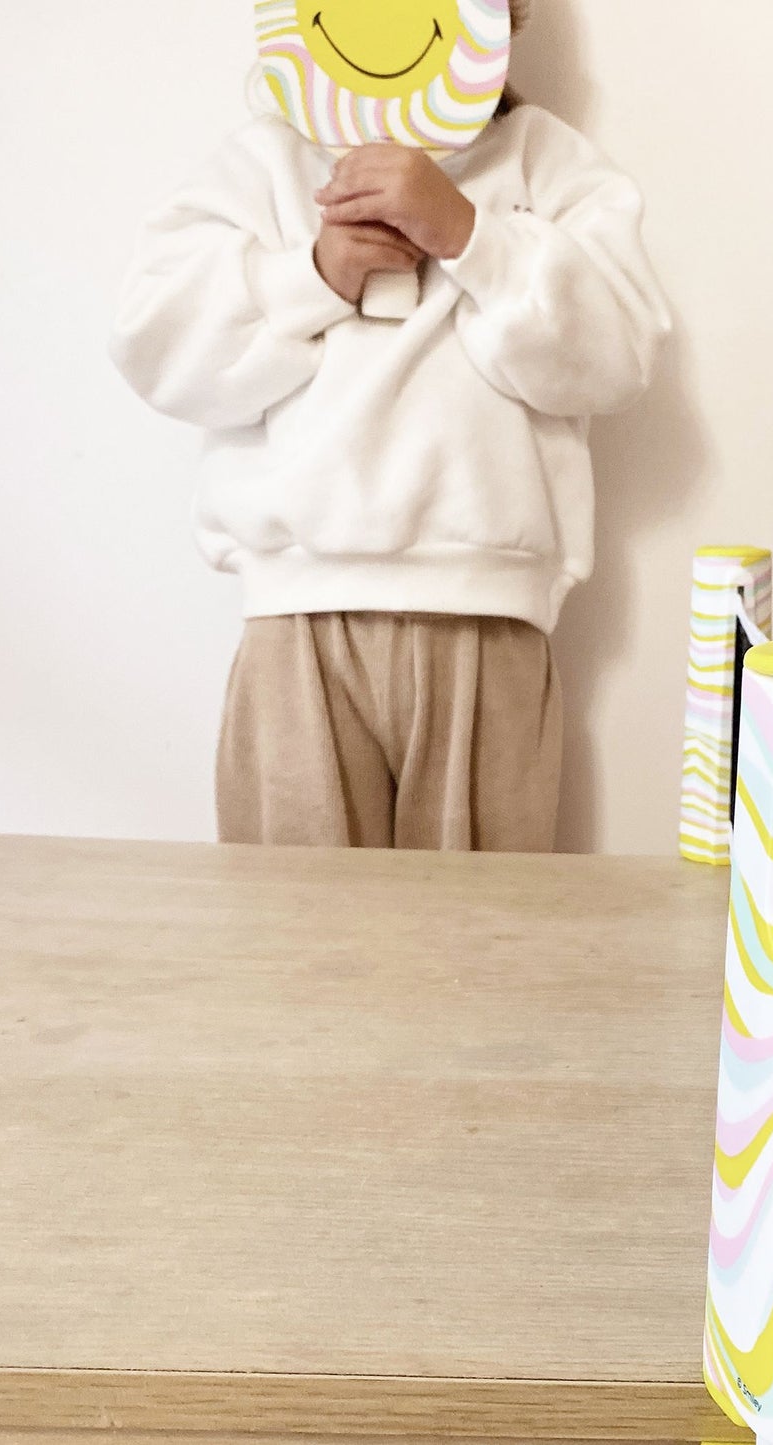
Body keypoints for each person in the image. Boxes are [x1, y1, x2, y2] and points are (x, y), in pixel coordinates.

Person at [110, 2, 670, 851]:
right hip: (298, 620)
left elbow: (615, 351)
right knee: (298, 936)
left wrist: (471, 236)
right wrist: (312, 275)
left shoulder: (543, 164)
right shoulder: (261, 164)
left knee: (479, 942)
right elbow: (156, 343)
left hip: (486, 617)